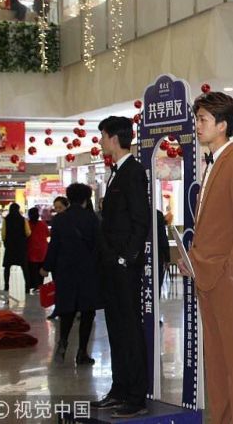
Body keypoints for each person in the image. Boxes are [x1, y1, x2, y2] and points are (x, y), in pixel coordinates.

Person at [178, 91, 233, 424]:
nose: (197, 125)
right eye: (197, 119)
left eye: (203, 120)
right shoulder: (212, 164)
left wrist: (231, 270)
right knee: (216, 358)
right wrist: (192, 259)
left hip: (226, 277)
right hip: (206, 274)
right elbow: (213, 226)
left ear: (222, 125)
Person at [91, 116, 151, 418]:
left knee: (129, 329)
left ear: (114, 138)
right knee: (115, 328)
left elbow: (141, 220)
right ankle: (119, 388)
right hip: (111, 268)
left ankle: (136, 396)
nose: (101, 141)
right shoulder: (115, 172)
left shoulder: (133, 172)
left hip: (125, 268)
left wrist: (126, 258)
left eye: (102, 136)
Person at [40, 183, 101, 366]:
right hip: (87, 272)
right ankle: (82, 352)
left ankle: (63, 342)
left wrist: (46, 266)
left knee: (67, 309)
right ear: (85, 199)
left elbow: (54, 246)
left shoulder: (60, 219)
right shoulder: (92, 219)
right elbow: (99, 247)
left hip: (65, 271)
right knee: (87, 311)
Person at [1, 202, 31, 295]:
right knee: (24, 267)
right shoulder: (23, 220)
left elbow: (3, 234)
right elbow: (28, 233)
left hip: (10, 247)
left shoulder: (6, 219)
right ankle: (27, 287)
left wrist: (6, 241)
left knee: (7, 267)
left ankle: (6, 286)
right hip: (21, 246)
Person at [26, 207, 50, 292]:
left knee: (32, 269)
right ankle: (40, 286)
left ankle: (34, 285)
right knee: (41, 269)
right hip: (42, 250)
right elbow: (48, 234)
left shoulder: (27, 224)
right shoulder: (43, 224)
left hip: (31, 250)